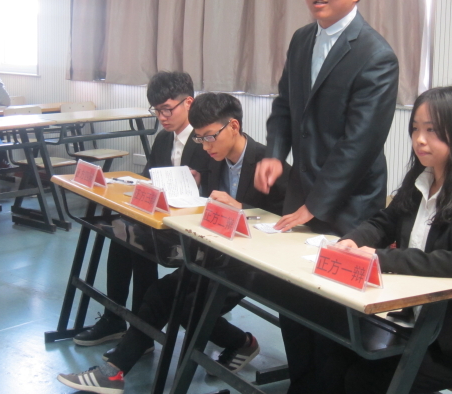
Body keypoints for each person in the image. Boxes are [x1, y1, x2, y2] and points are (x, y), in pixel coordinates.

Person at [58, 93, 290, 394]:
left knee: (188, 306)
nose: (206, 147)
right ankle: (113, 372)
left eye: (210, 137)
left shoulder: (268, 163)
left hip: (254, 263)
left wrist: (242, 210)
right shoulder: (213, 159)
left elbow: (286, 227)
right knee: (163, 293)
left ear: (233, 126)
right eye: (200, 139)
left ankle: (240, 343)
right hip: (216, 255)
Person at [252, 0, 398, 392]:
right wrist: (274, 153)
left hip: (349, 203)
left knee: (333, 310)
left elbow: (360, 144)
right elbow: (284, 106)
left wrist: (316, 204)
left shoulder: (376, 55)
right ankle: (303, 382)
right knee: (293, 299)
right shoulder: (302, 39)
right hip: (303, 193)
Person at [330, 86, 452, 393]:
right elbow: (383, 222)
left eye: (431, 130)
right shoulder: (419, 181)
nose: (419, 139)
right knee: (339, 352)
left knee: (364, 380)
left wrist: (381, 258)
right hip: (413, 322)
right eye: (415, 129)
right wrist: (351, 242)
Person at [72, 71, 212, 347]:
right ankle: (116, 318)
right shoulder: (163, 139)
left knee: (137, 240)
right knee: (123, 235)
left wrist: (198, 185)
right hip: (163, 221)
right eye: (156, 111)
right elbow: (149, 180)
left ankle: (140, 328)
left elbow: (217, 191)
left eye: (167, 109)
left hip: (191, 230)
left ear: (189, 103)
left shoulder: (206, 141)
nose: (162, 117)